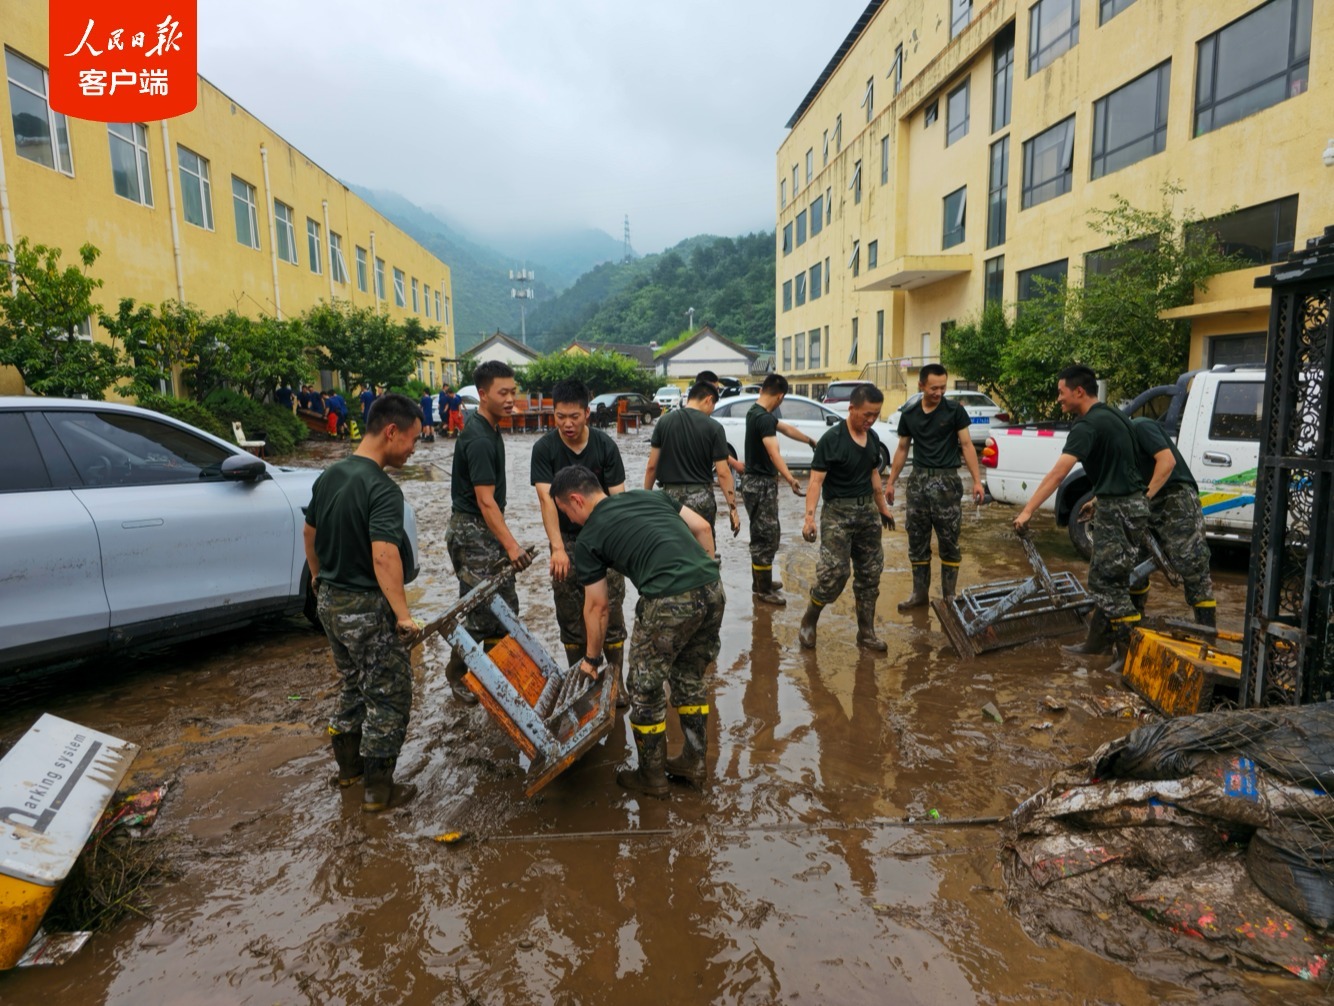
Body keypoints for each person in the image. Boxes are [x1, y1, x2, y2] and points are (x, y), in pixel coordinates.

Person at [551, 465, 725, 798]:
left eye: (566, 512)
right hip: (712, 589)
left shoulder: (589, 539)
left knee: (644, 689)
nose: (570, 522)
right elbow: (703, 527)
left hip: (668, 599)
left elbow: (598, 607)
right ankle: (693, 761)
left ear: (575, 500)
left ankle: (652, 777)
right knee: (688, 676)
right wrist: (703, 576)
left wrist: (590, 659)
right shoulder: (652, 495)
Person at [303, 392, 423, 813]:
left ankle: (349, 772)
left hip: (331, 603)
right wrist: (404, 616)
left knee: (353, 685)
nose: (412, 449)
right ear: (391, 431)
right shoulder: (382, 489)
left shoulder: (330, 475)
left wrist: (319, 580)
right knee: (389, 695)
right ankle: (377, 792)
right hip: (367, 607)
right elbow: (384, 555)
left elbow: (308, 533)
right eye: (412, 439)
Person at [1013, 365, 1149, 661]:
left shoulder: (1086, 425)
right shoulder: (1115, 416)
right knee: (1116, 576)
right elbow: (1126, 464)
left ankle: (1128, 657)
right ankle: (1097, 643)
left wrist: (1027, 511)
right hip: (1131, 504)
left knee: (1105, 583)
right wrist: (1098, 498)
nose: (1059, 399)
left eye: (1061, 393)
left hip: (1119, 510)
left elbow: (1058, 473)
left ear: (1079, 391)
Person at [530, 379, 630, 702]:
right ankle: (583, 685)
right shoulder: (544, 449)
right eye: (560, 417)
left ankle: (615, 684)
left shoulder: (605, 447)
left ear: (588, 412)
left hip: (605, 538)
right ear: (553, 414)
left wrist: (618, 545)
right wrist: (557, 548)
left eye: (574, 416)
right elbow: (546, 500)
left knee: (611, 611)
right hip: (566, 540)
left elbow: (618, 499)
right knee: (571, 615)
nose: (567, 424)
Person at [444, 360, 534, 703]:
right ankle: (457, 674)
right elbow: (485, 502)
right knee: (484, 612)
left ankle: (495, 674)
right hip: (473, 532)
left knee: (504, 607)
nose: (512, 398)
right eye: (504, 392)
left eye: (514, 391)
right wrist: (511, 547)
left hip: (484, 530)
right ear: (483, 394)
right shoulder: (479, 438)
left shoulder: (490, 428)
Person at [798, 383, 894, 652]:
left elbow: (873, 474)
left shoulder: (872, 438)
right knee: (834, 574)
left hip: (867, 515)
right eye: (866, 414)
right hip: (838, 513)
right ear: (851, 408)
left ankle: (866, 633)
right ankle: (810, 618)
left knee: (870, 573)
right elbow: (816, 482)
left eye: (875, 414)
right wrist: (809, 518)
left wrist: (883, 507)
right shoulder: (832, 440)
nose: (871, 420)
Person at [886, 364, 985, 610]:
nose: (939, 392)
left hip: (947, 482)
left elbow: (967, 445)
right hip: (918, 482)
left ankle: (949, 597)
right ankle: (919, 594)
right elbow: (901, 449)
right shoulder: (909, 414)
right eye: (934, 388)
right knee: (917, 539)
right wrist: (890, 482)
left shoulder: (954, 411)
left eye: (943, 387)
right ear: (921, 386)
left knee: (949, 540)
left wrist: (976, 481)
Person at [1131, 416, 1216, 625]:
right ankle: (1134, 627)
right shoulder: (1116, 446)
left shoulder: (1141, 426)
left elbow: (1167, 462)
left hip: (1175, 496)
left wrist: (1144, 498)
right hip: (1145, 502)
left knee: (1192, 563)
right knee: (1134, 563)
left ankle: (1207, 633)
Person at [741, 373, 812, 605]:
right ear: (780, 396)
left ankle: (760, 580)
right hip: (761, 484)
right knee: (766, 536)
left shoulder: (757, 413)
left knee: (763, 533)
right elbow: (773, 453)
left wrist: (809, 440)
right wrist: (790, 478)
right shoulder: (762, 419)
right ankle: (763, 589)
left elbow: (786, 428)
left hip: (755, 483)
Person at [643, 381, 739, 538]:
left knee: (675, 546)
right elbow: (723, 473)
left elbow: (651, 467)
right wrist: (733, 509)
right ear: (708, 399)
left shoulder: (664, 422)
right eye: (713, 406)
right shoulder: (714, 427)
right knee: (703, 550)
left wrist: (646, 499)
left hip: (670, 499)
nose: (711, 411)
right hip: (701, 499)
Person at [697, 370, 746, 478]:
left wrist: (735, 464)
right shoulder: (708, 425)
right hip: (698, 487)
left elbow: (718, 450)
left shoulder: (669, 420)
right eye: (716, 389)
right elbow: (723, 472)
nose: (718, 393)